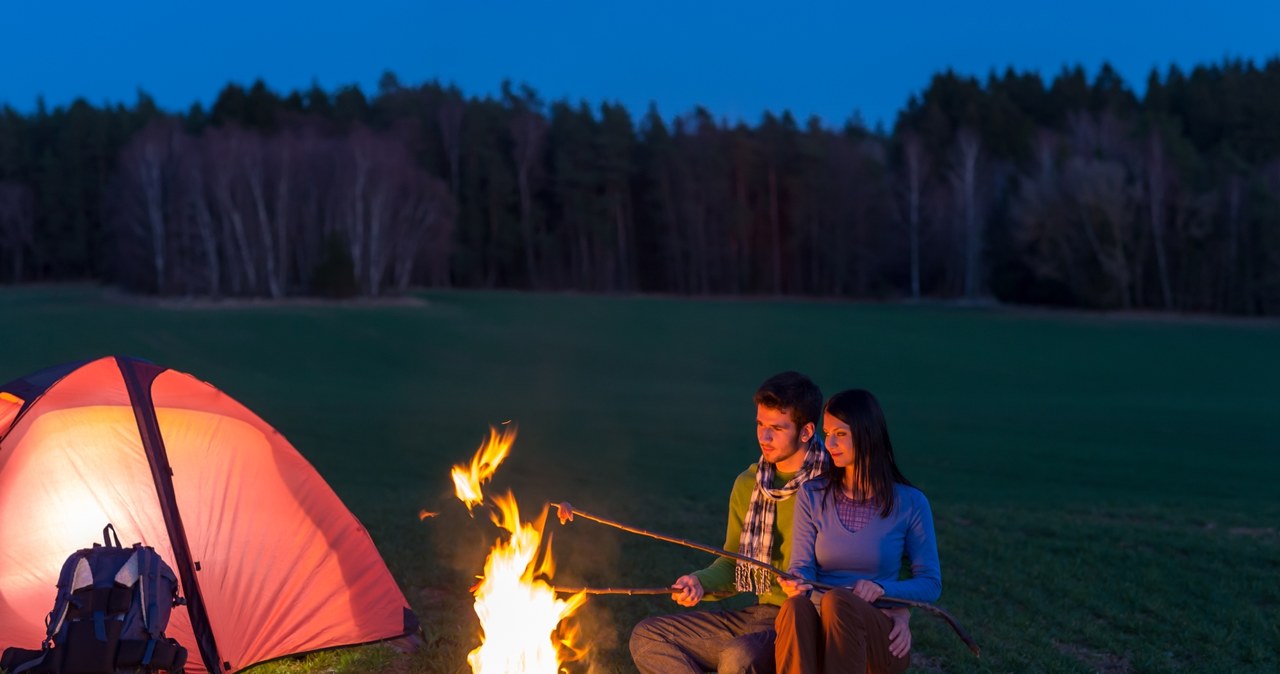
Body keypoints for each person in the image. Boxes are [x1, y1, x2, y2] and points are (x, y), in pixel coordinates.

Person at [629, 372, 910, 674]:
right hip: (761, 615)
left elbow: (895, 557)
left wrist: (900, 612)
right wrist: (699, 581)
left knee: (739, 656)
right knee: (648, 637)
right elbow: (735, 564)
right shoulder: (749, 483)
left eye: (777, 428)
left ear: (806, 432)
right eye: (760, 425)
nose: (764, 437)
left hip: (813, 623)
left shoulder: (839, 481)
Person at [774, 389, 941, 674]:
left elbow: (930, 583)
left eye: (840, 434)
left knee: (840, 601)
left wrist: (883, 589)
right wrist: (797, 581)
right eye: (827, 433)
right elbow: (801, 565)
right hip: (818, 623)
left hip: (876, 631)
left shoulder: (911, 503)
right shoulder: (813, 495)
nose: (829, 444)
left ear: (866, 434)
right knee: (793, 609)